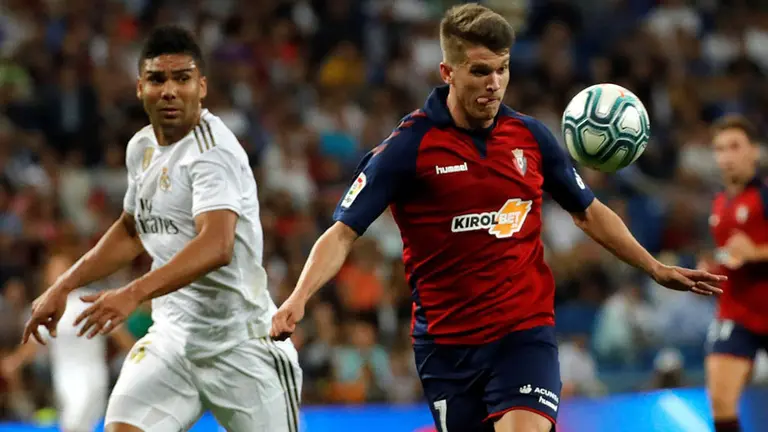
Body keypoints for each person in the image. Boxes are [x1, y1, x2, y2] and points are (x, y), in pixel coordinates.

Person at [270, 4, 723, 432]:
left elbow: (588, 212)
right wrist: (298, 298)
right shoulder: (407, 149)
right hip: (447, 348)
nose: (494, 83)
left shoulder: (530, 137)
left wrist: (654, 267)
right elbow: (343, 233)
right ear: (448, 72)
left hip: (523, 334)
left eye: (502, 69)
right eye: (480, 71)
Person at [21, 26, 301, 432]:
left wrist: (132, 293)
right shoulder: (141, 148)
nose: (169, 90)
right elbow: (132, 231)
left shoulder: (214, 152)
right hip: (172, 341)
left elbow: (216, 244)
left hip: (241, 346)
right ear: (140, 88)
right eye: (157, 79)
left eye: (182, 78)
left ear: (201, 87)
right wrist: (64, 284)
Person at [2, 236, 135, 432]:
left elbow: (118, 334)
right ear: (47, 275)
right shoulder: (44, 308)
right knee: (73, 425)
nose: (58, 275)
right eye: (53, 270)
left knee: (80, 424)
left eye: (63, 269)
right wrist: (15, 361)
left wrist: (141, 354)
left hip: (93, 375)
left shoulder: (89, 300)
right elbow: (34, 345)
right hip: (64, 378)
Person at [699, 114, 768, 432]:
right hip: (736, 313)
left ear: (755, 151)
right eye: (720, 149)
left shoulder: (763, 197)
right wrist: (710, 268)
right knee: (721, 403)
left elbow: (750, 251)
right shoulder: (719, 204)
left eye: (735, 147)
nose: (726, 156)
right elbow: (731, 255)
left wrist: (756, 252)